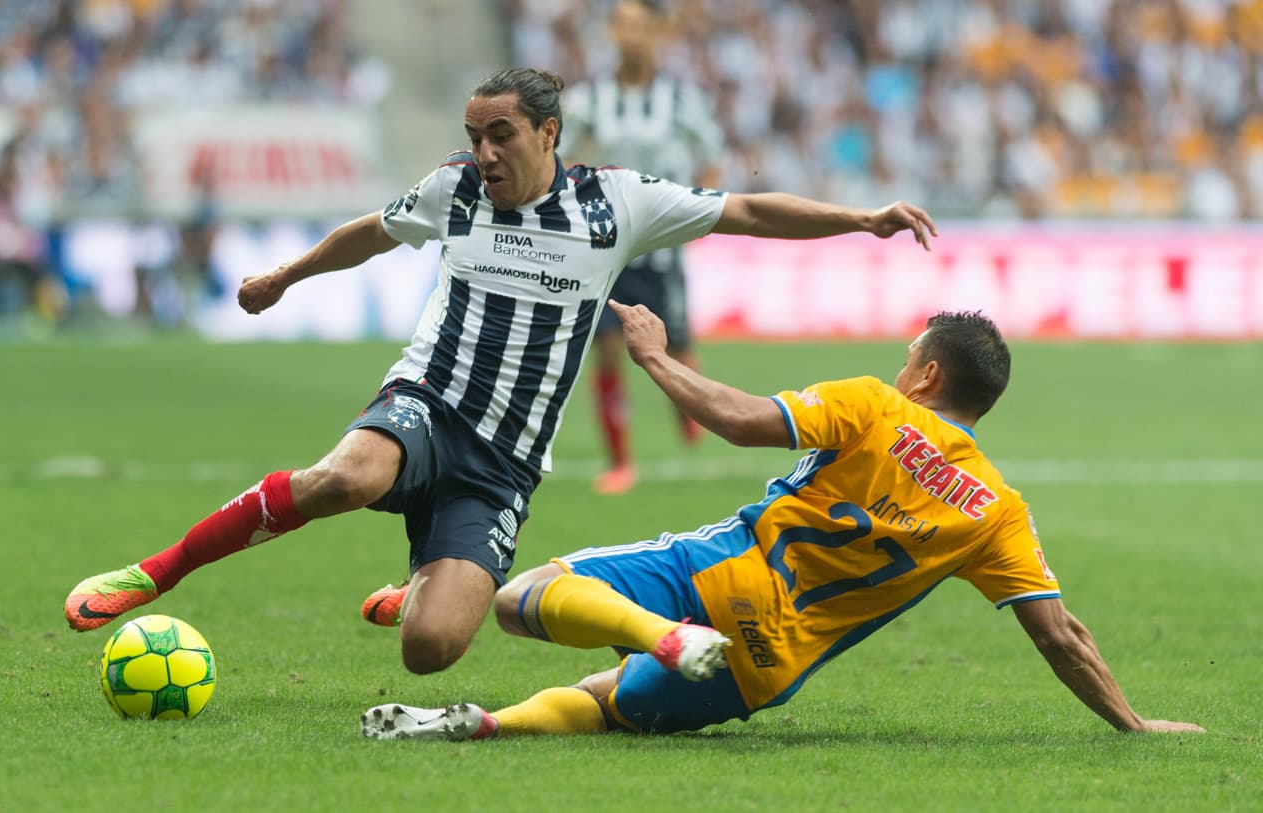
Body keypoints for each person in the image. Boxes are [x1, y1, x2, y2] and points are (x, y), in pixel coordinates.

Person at [64, 67, 936, 678]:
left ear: (548, 132)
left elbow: (743, 207)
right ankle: (160, 569)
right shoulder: (455, 191)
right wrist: (285, 277)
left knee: (431, 649)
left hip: (505, 460)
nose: (483, 152)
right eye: (475, 135)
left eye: (501, 134)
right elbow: (371, 230)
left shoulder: (615, 203)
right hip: (428, 400)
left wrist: (861, 217)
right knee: (350, 475)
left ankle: (417, 589)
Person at [361, 304, 1205, 738]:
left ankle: (657, 634)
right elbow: (1063, 637)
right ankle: (486, 724)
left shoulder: (874, 406)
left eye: (908, 353)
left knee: (523, 600)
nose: (898, 363)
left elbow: (732, 415)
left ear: (927, 372)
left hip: (712, 570)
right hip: (768, 661)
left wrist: (655, 357)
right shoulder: (999, 513)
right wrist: (1133, 722)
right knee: (608, 705)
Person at [558, 0, 724, 495]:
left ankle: (688, 405)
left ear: (658, 34)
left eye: (641, 27)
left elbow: (711, 159)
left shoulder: (681, 100)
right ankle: (619, 461)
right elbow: (562, 159)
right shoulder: (590, 100)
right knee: (608, 349)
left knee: (676, 350)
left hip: (663, 250)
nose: (632, 36)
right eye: (624, 26)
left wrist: (699, 211)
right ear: (612, 32)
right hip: (607, 246)